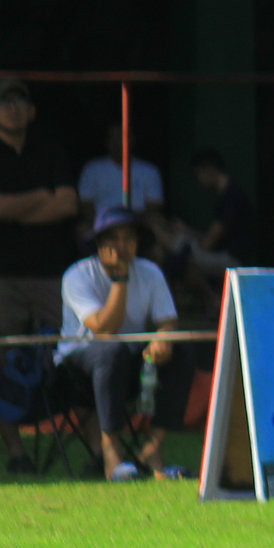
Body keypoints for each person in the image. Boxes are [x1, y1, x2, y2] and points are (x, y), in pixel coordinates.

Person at [0, 77, 80, 473]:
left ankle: (98, 448)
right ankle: (17, 454)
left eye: (19, 100)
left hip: (52, 275)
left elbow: (68, 204)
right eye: (3, 102)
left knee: (79, 351)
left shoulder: (52, 152)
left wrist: (13, 204)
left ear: (32, 111)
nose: (12, 107)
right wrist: (40, 196)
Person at [55, 206, 183, 481]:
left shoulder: (150, 272)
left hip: (129, 360)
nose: (121, 246)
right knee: (111, 349)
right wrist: (120, 279)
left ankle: (152, 449)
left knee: (182, 350)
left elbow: (168, 321)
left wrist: (162, 338)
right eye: (113, 239)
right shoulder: (77, 275)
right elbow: (103, 329)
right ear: (99, 245)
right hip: (78, 367)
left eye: (129, 238)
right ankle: (111, 453)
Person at [76, 120, 166, 226]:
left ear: (132, 139)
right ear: (106, 142)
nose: (117, 142)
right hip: (101, 226)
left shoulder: (149, 171)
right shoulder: (92, 169)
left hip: (139, 226)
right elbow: (85, 205)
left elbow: (153, 208)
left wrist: (127, 223)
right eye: (113, 138)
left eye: (121, 137)